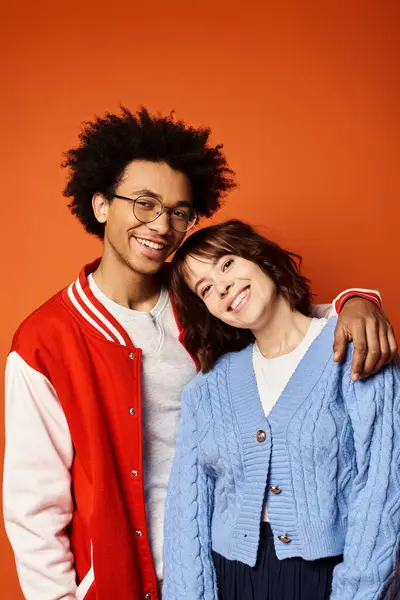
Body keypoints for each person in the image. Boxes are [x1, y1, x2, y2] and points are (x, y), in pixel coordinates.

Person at [3, 109, 396, 600]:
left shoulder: (201, 303)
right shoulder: (46, 341)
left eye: (178, 211)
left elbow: (284, 329)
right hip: (122, 581)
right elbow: (33, 507)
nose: (162, 225)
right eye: (144, 204)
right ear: (101, 205)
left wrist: (355, 303)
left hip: (224, 565)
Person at [163, 219, 400, 600]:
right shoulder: (206, 390)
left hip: (329, 577)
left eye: (226, 264)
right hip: (231, 579)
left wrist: (359, 593)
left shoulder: (356, 348)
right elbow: (186, 510)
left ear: (260, 259)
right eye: (205, 288)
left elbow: (384, 489)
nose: (222, 286)